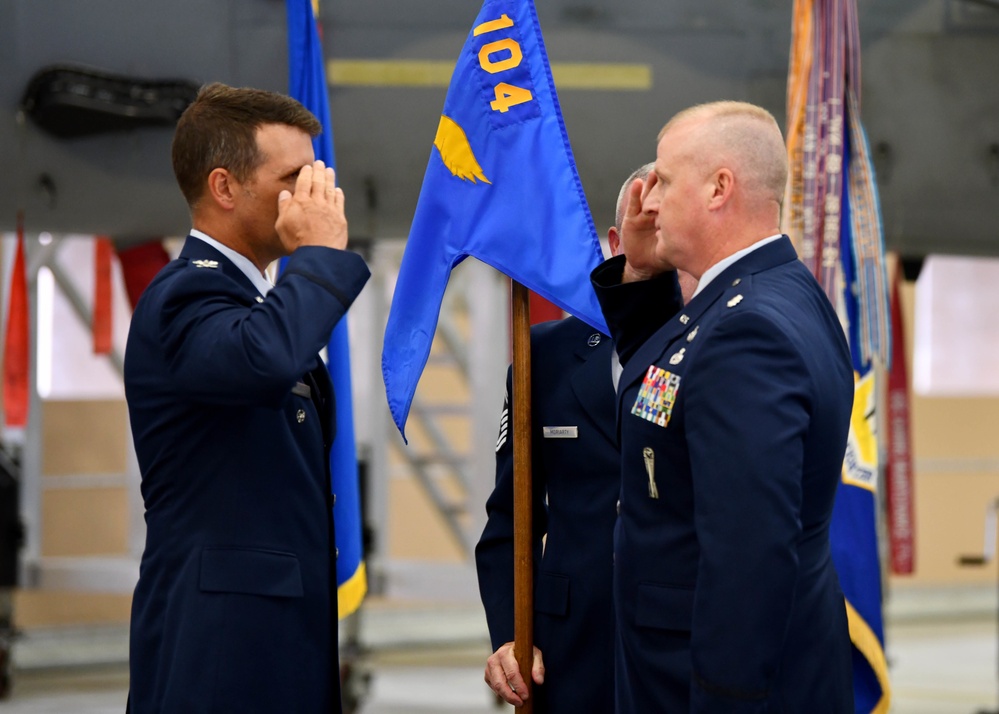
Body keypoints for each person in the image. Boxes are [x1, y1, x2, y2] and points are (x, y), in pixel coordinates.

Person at [591, 101, 854, 712]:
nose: (647, 201)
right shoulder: (773, 294)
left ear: (718, 188)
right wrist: (637, 272)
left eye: (663, 180)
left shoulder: (748, 332)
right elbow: (669, 392)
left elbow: (749, 554)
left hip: (713, 681)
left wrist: (725, 699)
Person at [124, 83, 369, 714]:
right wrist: (317, 253)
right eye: (295, 177)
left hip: (280, 648)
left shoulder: (255, 305)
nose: (317, 195)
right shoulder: (184, 298)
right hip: (219, 657)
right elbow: (265, 360)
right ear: (225, 188)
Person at [475, 164, 694, 711]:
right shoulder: (543, 357)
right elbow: (510, 520)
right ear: (616, 244)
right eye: (646, 232)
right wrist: (509, 634)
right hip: (567, 654)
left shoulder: (717, 352)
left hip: (677, 647)